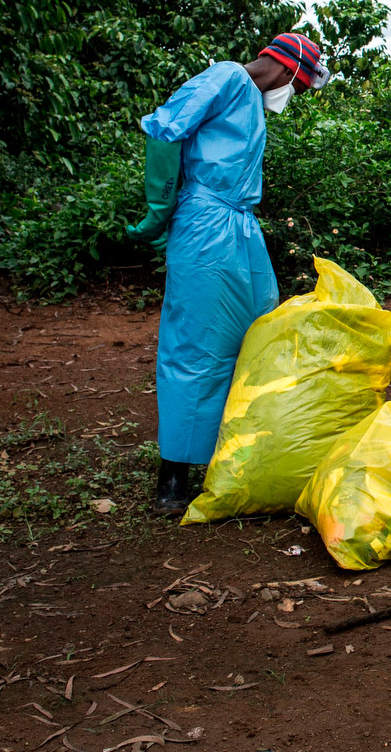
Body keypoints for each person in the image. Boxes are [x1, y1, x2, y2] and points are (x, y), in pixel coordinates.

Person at [126, 33, 328, 516]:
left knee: (257, 334)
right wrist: (160, 208)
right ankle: (173, 478)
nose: (294, 96)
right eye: (298, 87)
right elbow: (165, 130)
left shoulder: (251, 101)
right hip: (205, 224)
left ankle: (232, 455)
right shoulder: (227, 76)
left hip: (239, 227)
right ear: (285, 71)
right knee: (195, 342)